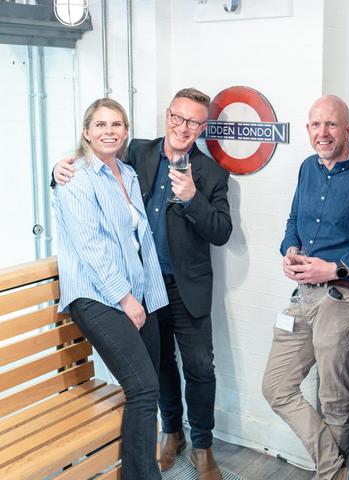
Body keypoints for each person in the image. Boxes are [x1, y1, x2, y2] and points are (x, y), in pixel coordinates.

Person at [54, 88, 232, 480]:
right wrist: (57, 171)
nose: (183, 127)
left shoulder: (212, 173)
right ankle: (171, 433)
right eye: (178, 117)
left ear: (202, 127)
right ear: (167, 116)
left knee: (199, 366)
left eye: (193, 122)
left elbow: (221, 232)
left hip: (183, 287)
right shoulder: (138, 153)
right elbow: (89, 170)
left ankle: (202, 446)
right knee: (159, 367)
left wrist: (193, 198)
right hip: (139, 287)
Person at [53, 98, 168, 479]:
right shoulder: (76, 177)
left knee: (148, 387)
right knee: (143, 388)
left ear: (126, 131)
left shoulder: (127, 174)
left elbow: (139, 241)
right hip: (96, 295)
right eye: (100, 125)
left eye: (116, 124)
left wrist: (148, 298)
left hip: (135, 292)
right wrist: (127, 300)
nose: (109, 131)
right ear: (86, 132)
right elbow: (91, 248)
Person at [262, 95, 349, 480]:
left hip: (340, 299)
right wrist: (289, 250)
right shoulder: (308, 167)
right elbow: (293, 220)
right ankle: (337, 471)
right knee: (276, 386)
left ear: (348, 129)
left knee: (335, 401)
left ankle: (329, 474)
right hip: (301, 297)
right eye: (316, 125)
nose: (323, 132)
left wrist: (333, 268)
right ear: (308, 129)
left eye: (332, 124)